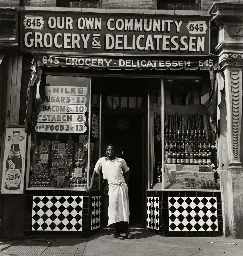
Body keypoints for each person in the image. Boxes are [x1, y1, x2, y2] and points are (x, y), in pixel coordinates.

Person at [86, 144, 131, 239]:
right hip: (112, 187)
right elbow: (95, 173)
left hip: (122, 187)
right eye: (108, 150)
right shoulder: (102, 161)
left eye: (112, 150)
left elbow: (127, 172)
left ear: (115, 152)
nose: (110, 152)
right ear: (105, 151)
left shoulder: (120, 161)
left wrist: (126, 183)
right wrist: (90, 186)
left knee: (123, 209)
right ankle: (116, 231)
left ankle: (126, 230)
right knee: (114, 210)